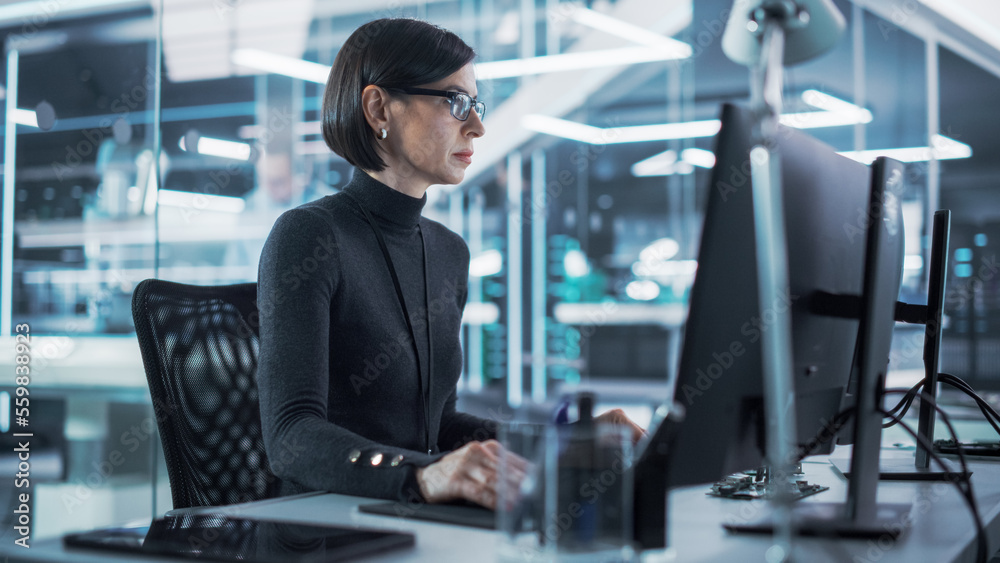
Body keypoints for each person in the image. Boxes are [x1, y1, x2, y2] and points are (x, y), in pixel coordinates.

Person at [257, 17, 643, 511]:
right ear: (379, 108)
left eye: (475, 105)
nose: (477, 126)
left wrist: (568, 439)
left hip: (410, 516)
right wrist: (422, 475)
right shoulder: (309, 236)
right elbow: (291, 437)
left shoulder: (448, 251)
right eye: (456, 102)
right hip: (325, 527)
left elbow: (439, 426)